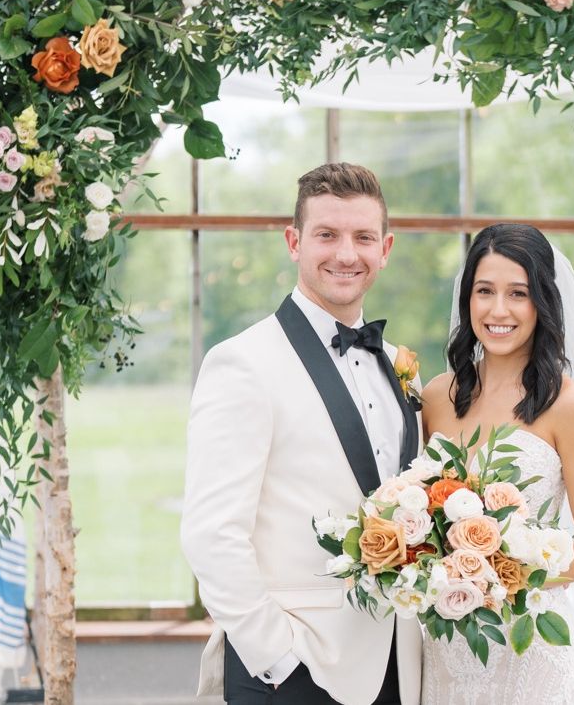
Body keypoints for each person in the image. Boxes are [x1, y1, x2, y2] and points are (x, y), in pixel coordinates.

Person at [181, 163, 422, 705]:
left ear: (385, 249)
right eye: (327, 235)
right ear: (294, 242)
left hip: (397, 668)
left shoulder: (397, 363)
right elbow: (211, 533)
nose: (346, 254)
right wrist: (277, 660)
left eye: (363, 237)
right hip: (294, 670)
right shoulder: (242, 363)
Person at [420, 222, 574, 704]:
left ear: (542, 303)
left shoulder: (569, 406)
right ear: (467, 298)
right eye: (484, 291)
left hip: (532, 656)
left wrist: (503, 576)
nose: (498, 310)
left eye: (517, 294)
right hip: (446, 650)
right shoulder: (437, 397)